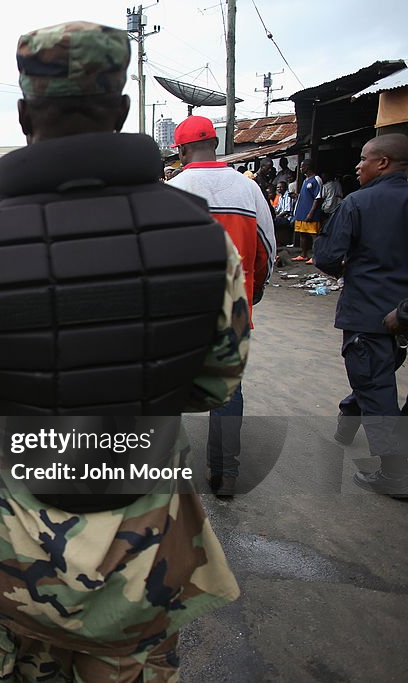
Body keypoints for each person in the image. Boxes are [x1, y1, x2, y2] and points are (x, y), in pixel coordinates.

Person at [0, 22, 245, 682]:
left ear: (25, 114)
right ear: (124, 111)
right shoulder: (204, 242)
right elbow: (217, 382)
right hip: (148, 558)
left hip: (18, 563)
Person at [168, 115, 276, 497]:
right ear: (216, 143)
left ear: (180, 150)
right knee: (228, 390)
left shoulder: (172, 191)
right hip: (234, 309)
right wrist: (253, 289)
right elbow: (266, 250)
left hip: (181, 313)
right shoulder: (248, 190)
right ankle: (225, 473)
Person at [313, 133, 408, 498]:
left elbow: (326, 257)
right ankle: (348, 420)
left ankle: (395, 473)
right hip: (397, 311)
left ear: (383, 162)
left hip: (369, 313)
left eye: (364, 159)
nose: (357, 165)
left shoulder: (358, 204)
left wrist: (350, 273)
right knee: (374, 376)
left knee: (374, 384)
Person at [292, 158, 323, 262]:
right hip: (301, 213)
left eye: (302, 166)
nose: (300, 169)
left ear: (307, 167)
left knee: (313, 235)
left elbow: (318, 197)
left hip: (310, 213)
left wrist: (311, 213)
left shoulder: (316, 179)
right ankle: (303, 255)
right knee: (302, 234)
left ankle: (316, 256)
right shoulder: (306, 180)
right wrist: (297, 196)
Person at [274, 179, 296, 246]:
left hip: (288, 218)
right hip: (282, 217)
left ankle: (278, 241)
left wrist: (277, 216)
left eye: (281, 187)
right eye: (278, 187)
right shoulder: (280, 197)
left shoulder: (288, 195)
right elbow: (278, 209)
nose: (279, 189)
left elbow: (287, 210)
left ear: (285, 188)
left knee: (274, 222)